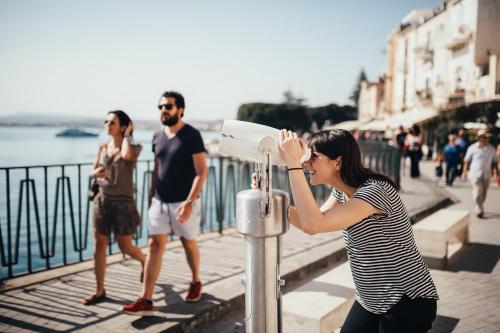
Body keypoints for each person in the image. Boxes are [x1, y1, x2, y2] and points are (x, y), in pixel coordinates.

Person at [278, 128, 438, 332]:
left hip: (406, 299)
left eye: (313, 157)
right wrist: (272, 198)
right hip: (371, 299)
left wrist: (293, 164)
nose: (306, 162)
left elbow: (313, 224)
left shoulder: (375, 191)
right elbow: (310, 223)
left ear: (338, 162)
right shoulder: (342, 191)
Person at [122, 91, 207, 316]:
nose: (163, 110)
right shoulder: (157, 136)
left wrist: (190, 202)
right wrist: (152, 195)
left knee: (187, 242)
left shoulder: (192, 135)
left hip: (183, 202)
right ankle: (146, 299)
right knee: (154, 245)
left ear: (180, 109)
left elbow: (201, 171)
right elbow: (158, 167)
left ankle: (196, 281)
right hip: (159, 201)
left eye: (168, 106)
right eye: (160, 106)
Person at [82, 110, 145, 305]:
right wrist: (97, 173)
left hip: (123, 204)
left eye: (113, 122)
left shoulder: (133, 148)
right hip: (102, 201)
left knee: (125, 247)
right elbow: (93, 172)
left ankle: (145, 261)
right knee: (99, 244)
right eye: (106, 121)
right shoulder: (102, 148)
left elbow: (126, 155)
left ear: (124, 127)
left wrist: (127, 135)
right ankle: (100, 290)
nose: (107, 124)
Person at [461, 129, 498, 218]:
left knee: (484, 194)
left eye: (487, 137)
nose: (486, 139)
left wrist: (496, 174)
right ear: (479, 138)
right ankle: (479, 209)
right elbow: (466, 161)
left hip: (486, 175)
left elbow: (495, 162)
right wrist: (464, 173)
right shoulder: (472, 148)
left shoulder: (491, 149)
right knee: (477, 192)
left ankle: (479, 206)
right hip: (474, 174)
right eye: (484, 137)